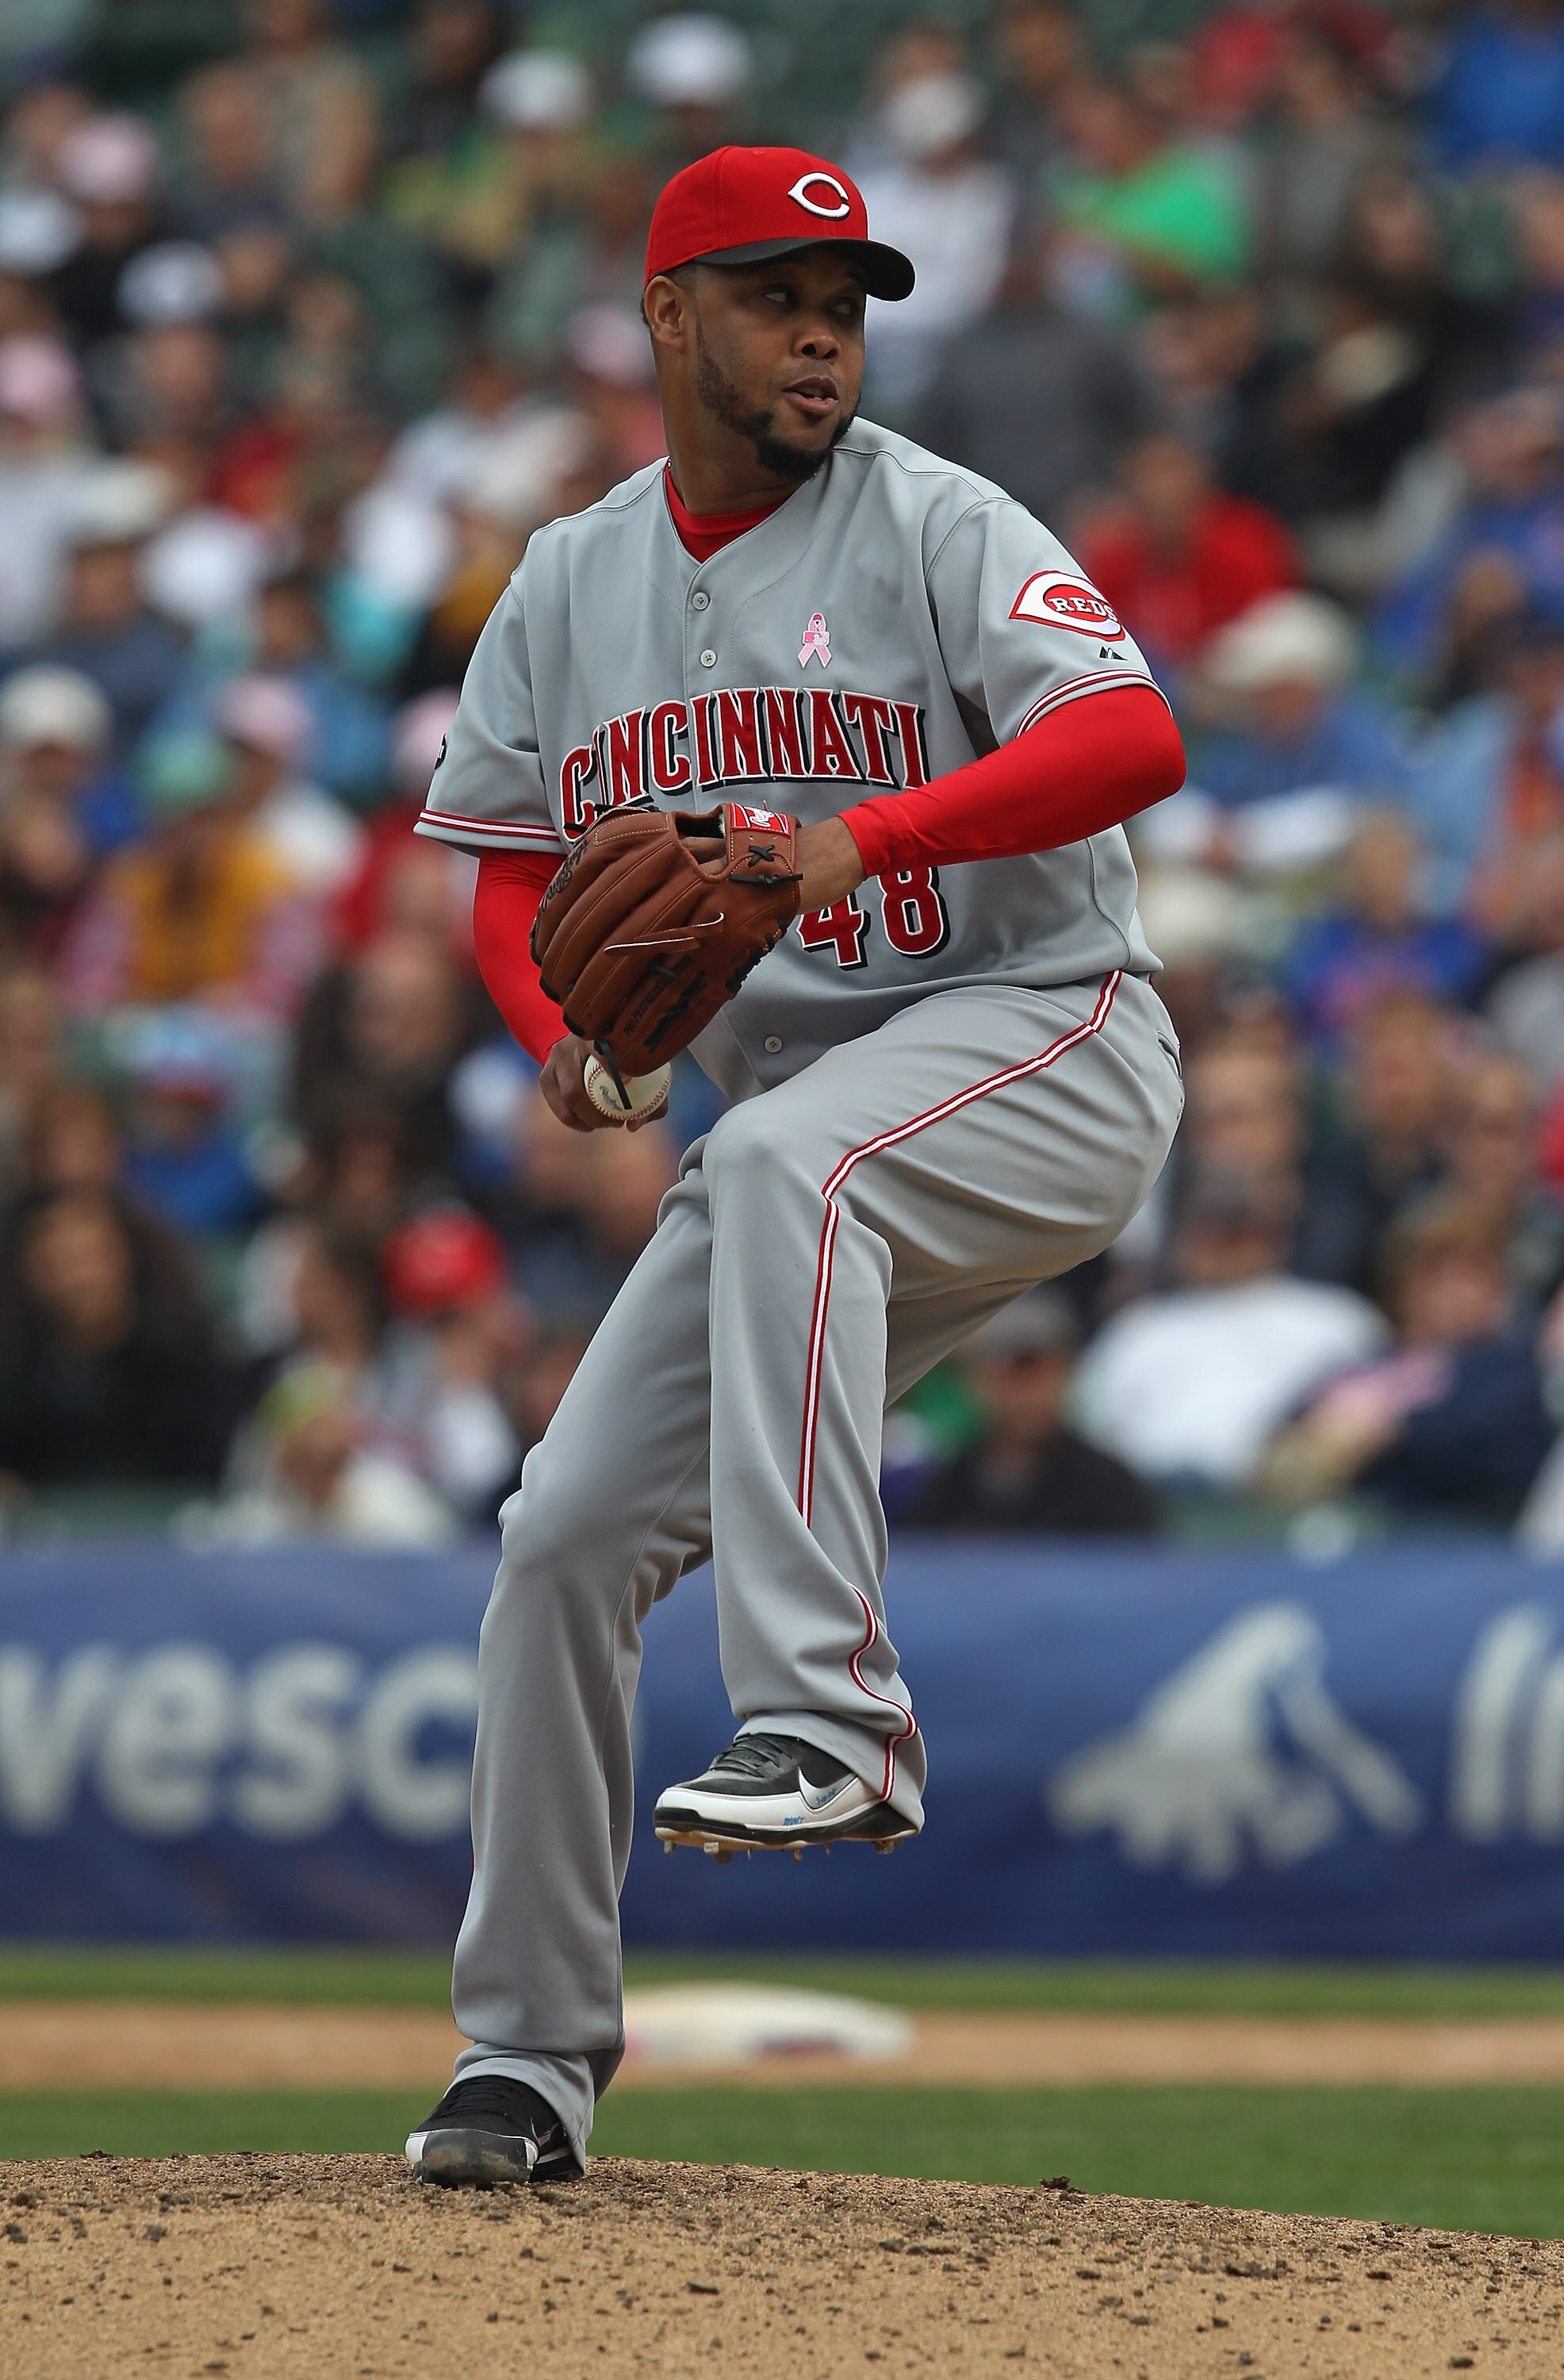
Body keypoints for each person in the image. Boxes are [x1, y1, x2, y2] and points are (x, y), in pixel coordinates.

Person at [401, 144, 1186, 2187]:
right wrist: (559, 1047)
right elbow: (503, 875)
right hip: (799, 1148)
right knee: (561, 1530)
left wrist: (870, 834)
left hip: (1050, 1034)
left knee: (786, 1168)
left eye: (842, 293)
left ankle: (829, 1721)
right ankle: (527, 2060)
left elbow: (1130, 739)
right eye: (769, 291)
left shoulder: (936, 518)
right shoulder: (569, 582)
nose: (819, 327)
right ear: (668, 318)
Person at [901, 1286, 1160, 1534]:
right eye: (1014, 1375)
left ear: (1068, 1376)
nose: (1028, 1394)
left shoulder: (1110, 1489)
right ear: (978, 1380)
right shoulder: (945, 1491)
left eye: (1042, 1374)